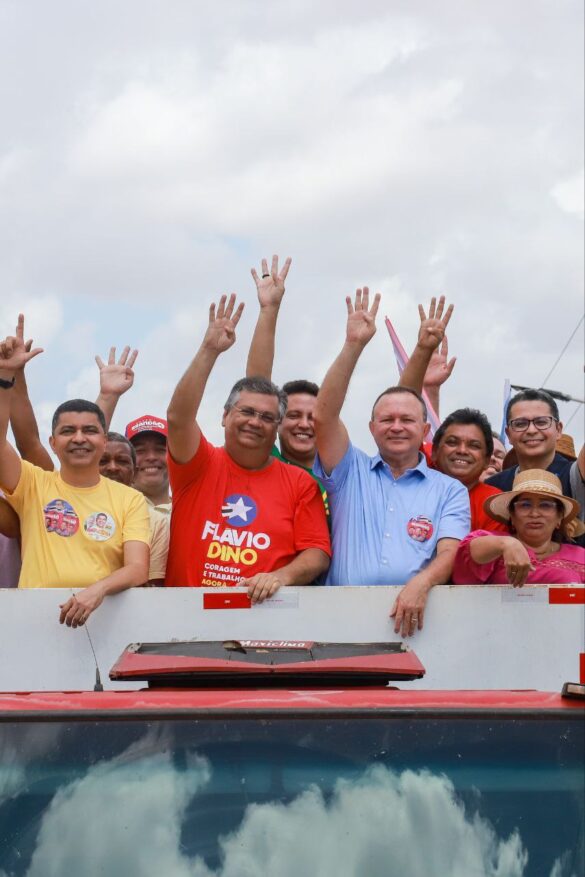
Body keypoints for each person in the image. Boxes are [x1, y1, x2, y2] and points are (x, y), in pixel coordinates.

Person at [313, 288, 470, 637]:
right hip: (339, 622)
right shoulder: (349, 470)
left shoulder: (449, 490)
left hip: (415, 621)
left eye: (407, 420)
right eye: (386, 420)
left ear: (426, 428)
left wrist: (422, 584)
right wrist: (353, 345)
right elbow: (323, 417)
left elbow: (450, 551)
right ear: (371, 428)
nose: (396, 426)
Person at [165, 293, 331, 602]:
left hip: (265, 624)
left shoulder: (300, 483)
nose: (255, 422)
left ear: (277, 426)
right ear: (225, 416)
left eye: (267, 417)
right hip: (186, 621)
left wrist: (281, 577)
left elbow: (317, 552)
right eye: (246, 412)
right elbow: (177, 418)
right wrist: (209, 350)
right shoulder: (197, 463)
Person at [0, 317, 150, 627]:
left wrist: (96, 591)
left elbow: (137, 569)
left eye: (89, 431)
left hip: (105, 623)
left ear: (104, 440)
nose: (79, 438)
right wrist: (4, 377)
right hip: (34, 623)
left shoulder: (130, 499)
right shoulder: (33, 483)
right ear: (53, 443)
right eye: (68, 431)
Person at [245, 255, 328, 514]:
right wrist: (269, 311)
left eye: (312, 417)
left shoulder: (342, 474)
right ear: (277, 422)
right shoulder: (268, 460)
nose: (304, 424)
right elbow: (255, 387)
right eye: (293, 415)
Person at [453, 470, 584, 585]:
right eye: (525, 505)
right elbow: (467, 551)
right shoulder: (495, 544)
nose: (534, 514)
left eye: (545, 505)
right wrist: (507, 544)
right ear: (512, 516)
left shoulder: (580, 556)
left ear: (559, 518)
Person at [486, 389, 584, 516]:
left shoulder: (575, 476)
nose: (531, 430)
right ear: (508, 434)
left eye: (541, 422)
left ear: (558, 429)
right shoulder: (494, 486)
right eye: (520, 424)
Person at [99, 431, 169, 584]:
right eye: (140, 450)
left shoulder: (157, 520)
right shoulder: (72, 506)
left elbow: (155, 588)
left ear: (134, 470)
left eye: (160, 449)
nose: (112, 468)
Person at [430, 409, 507, 533]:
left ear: (487, 460)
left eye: (474, 445)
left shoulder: (493, 504)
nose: (462, 451)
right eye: (452, 442)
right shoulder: (412, 482)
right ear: (434, 452)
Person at [124, 415, 171, 514]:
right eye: (140, 451)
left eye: (160, 449)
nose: (151, 457)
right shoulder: (112, 508)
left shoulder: (191, 511)